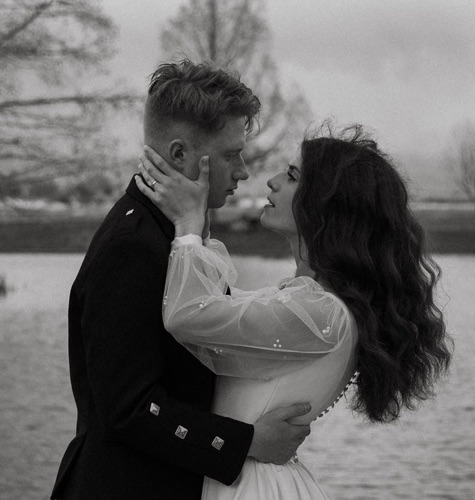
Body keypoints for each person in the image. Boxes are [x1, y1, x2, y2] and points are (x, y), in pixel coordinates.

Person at [135, 123, 453, 499]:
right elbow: (220, 311)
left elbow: (188, 315)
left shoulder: (321, 314)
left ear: (326, 204)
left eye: (291, 176)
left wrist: (188, 228)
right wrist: (200, 231)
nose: (271, 182)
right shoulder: (312, 303)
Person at [50, 60, 313, 500]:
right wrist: (246, 442)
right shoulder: (133, 245)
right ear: (179, 155)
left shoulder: (172, 235)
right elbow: (128, 408)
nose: (243, 171)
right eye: (230, 155)